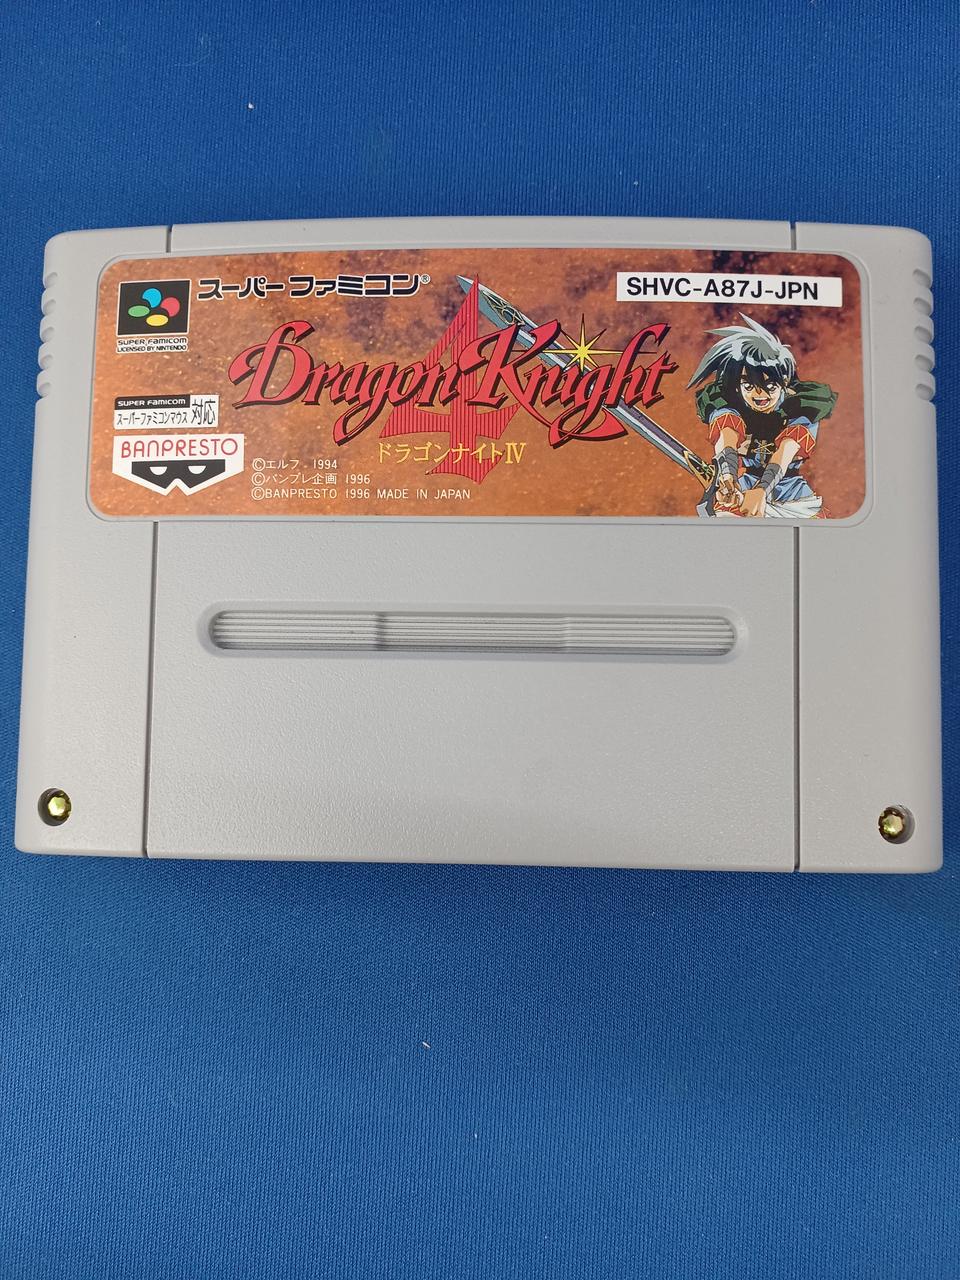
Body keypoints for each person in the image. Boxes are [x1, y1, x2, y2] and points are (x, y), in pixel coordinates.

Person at [687, 314, 838, 517]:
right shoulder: (729, 402)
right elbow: (727, 437)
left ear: (784, 381)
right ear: (738, 385)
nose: (759, 395)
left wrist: (761, 491)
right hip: (743, 488)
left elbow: (785, 452)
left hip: (792, 495)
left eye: (770, 386)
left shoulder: (802, 405)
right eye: (749, 386)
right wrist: (727, 477)